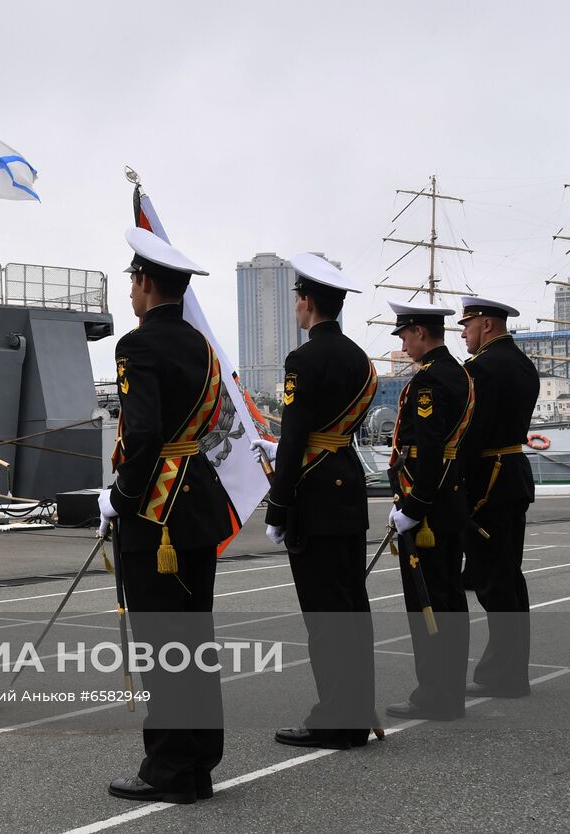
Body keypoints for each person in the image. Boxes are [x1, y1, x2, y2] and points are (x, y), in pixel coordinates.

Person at [97, 228, 232, 804]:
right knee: (194, 636)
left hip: (158, 511)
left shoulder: (137, 346)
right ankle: (199, 757)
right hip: (198, 499)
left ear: (145, 284)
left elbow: (145, 433)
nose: (131, 292)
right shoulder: (202, 347)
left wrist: (120, 500)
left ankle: (171, 767)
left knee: (163, 642)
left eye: (132, 281)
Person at [251, 254, 376, 749]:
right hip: (346, 481)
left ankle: (335, 720)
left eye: (297, 298)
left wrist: (278, 506)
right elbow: (330, 431)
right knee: (351, 607)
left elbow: (299, 433)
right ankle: (356, 709)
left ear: (306, 301)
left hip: (315, 493)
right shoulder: (361, 361)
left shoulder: (302, 361)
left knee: (324, 616)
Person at [383, 300, 473, 721]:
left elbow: (431, 448)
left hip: (429, 508)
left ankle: (435, 694)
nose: (402, 343)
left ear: (420, 332)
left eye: (403, 334)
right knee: (450, 599)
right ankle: (448, 692)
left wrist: (413, 506)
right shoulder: (459, 374)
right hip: (450, 498)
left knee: (429, 603)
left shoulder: (430, 382)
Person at [457, 296, 539, 698]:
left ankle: (505, 674)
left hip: (487, 482)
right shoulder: (523, 364)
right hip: (512, 475)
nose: (463, 333)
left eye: (467, 325)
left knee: (494, 582)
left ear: (486, 324)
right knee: (508, 576)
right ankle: (506, 669)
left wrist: (454, 485)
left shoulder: (480, 369)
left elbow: (471, 435)